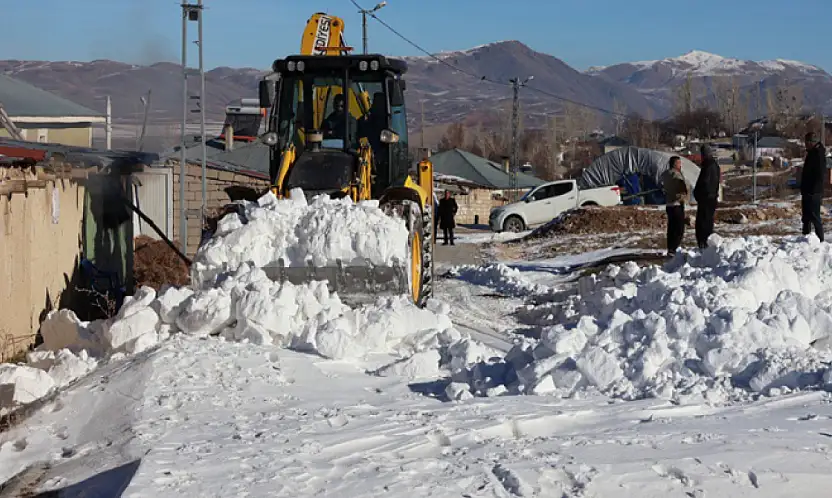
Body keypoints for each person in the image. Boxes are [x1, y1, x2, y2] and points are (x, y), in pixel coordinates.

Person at [693, 144, 720, 249]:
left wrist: (698, 194)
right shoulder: (715, 165)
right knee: (708, 221)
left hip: (706, 198)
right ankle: (706, 242)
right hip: (711, 198)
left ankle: (703, 242)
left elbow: (704, 183)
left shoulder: (708, 166)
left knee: (703, 222)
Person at [801, 131, 827, 241]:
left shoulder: (818, 154)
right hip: (807, 190)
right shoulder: (812, 152)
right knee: (806, 217)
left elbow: (820, 175)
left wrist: (813, 190)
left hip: (813, 192)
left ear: (812, 142)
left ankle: (820, 241)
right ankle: (806, 239)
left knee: (815, 217)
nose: (805, 144)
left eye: (807, 142)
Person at [661, 156, 688, 255]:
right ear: (675, 164)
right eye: (679, 163)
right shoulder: (677, 175)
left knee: (671, 228)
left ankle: (670, 248)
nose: (681, 165)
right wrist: (683, 196)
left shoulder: (665, 174)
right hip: (677, 203)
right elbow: (682, 189)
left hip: (669, 204)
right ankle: (675, 248)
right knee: (679, 228)